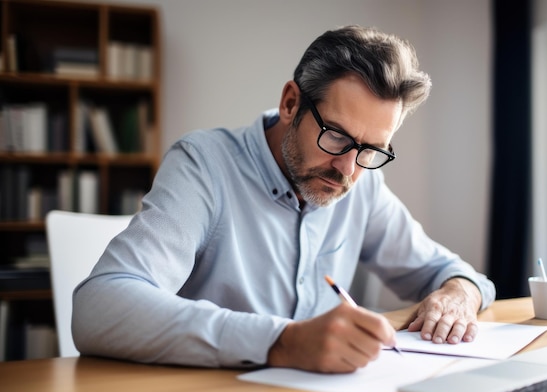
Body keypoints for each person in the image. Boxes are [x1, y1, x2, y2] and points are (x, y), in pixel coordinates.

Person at [73, 25, 496, 373]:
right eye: (336, 136)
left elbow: (447, 271)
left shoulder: (362, 182)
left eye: (370, 150)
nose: (348, 170)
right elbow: (98, 308)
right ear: (291, 102)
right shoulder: (204, 165)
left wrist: (458, 294)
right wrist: (282, 341)